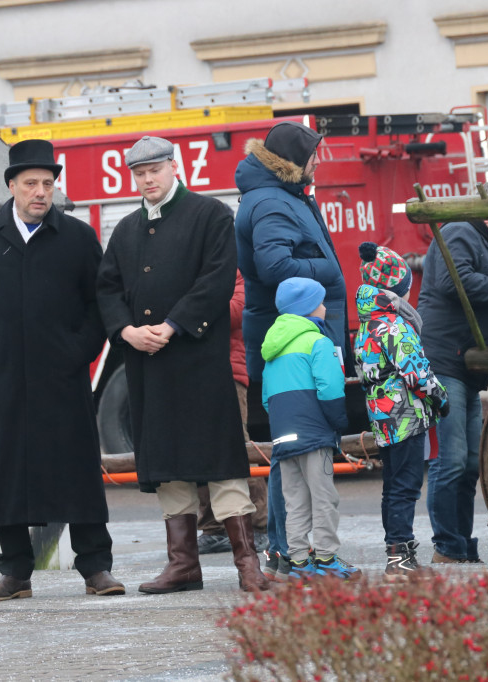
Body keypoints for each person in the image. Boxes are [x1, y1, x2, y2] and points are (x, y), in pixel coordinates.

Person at [0, 138, 124, 602]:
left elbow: (99, 306)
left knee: (78, 471)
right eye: (30, 183)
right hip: (2, 380)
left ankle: (96, 567)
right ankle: (15, 572)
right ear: (11, 186)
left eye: (48, 183)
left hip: (63, 379)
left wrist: (77, 350)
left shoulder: (76, 237)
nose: (40, 192)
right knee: (7, 474)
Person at [97, 135, 269, 593]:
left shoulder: (210, 215)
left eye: (155, 169)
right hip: (148, 367)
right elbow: (107, 289)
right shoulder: (127, 229)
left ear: (174, 168)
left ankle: (247, 565)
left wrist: (172, 326)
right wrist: (126, 331)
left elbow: (218, 281)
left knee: (221, 461)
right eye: (139, 172)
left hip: (201, 361)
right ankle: (183, 565)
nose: (147, 178)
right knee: (168, 465)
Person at [234, 120, 352, 579]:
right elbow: (275, 265)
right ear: (291, 162)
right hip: (296, 344)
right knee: (297, 459)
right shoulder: (270, 201)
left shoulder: (277, 195)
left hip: (302, 336)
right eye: (312, 157)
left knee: (294, 456)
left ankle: (293, 552)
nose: (317, 164)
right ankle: (294, 553)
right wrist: (327, 266)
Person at [417, 178, 488, 564]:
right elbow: (458, 284)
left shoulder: (487, 245)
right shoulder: (457, 233)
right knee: (450, 460)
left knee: (469, 463)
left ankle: (460, 545)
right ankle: (446, 547)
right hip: (446, 361)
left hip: (465, 366)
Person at [353, 243, 449, 580]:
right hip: (404, 415)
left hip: (382, 418)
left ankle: (397, 553)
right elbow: (415, 371)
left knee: (392, 486)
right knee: (406, 485)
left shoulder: (367, 324)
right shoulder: (393, 325)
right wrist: (439, 396)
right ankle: (400, 561)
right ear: (397, 288)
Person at [261, 277, 358, 580]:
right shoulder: (318, 342)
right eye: (320, 301)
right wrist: (338, 423)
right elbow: (330, 388)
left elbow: (267, 399)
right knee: (324, 498)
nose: (324, 306)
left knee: (294, 502)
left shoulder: (272, 349)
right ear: (309, 308)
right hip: (315, 435)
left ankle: (300, 564)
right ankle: (327, 558)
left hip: (283, 437)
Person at [196, 270, 269, 555]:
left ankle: (259, 525)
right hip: (192, 373)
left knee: (238, 446)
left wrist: (189, 305)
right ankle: (212, 529)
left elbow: (236, 313)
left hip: (228, 372)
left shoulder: (232, 272)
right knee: (199, 452)